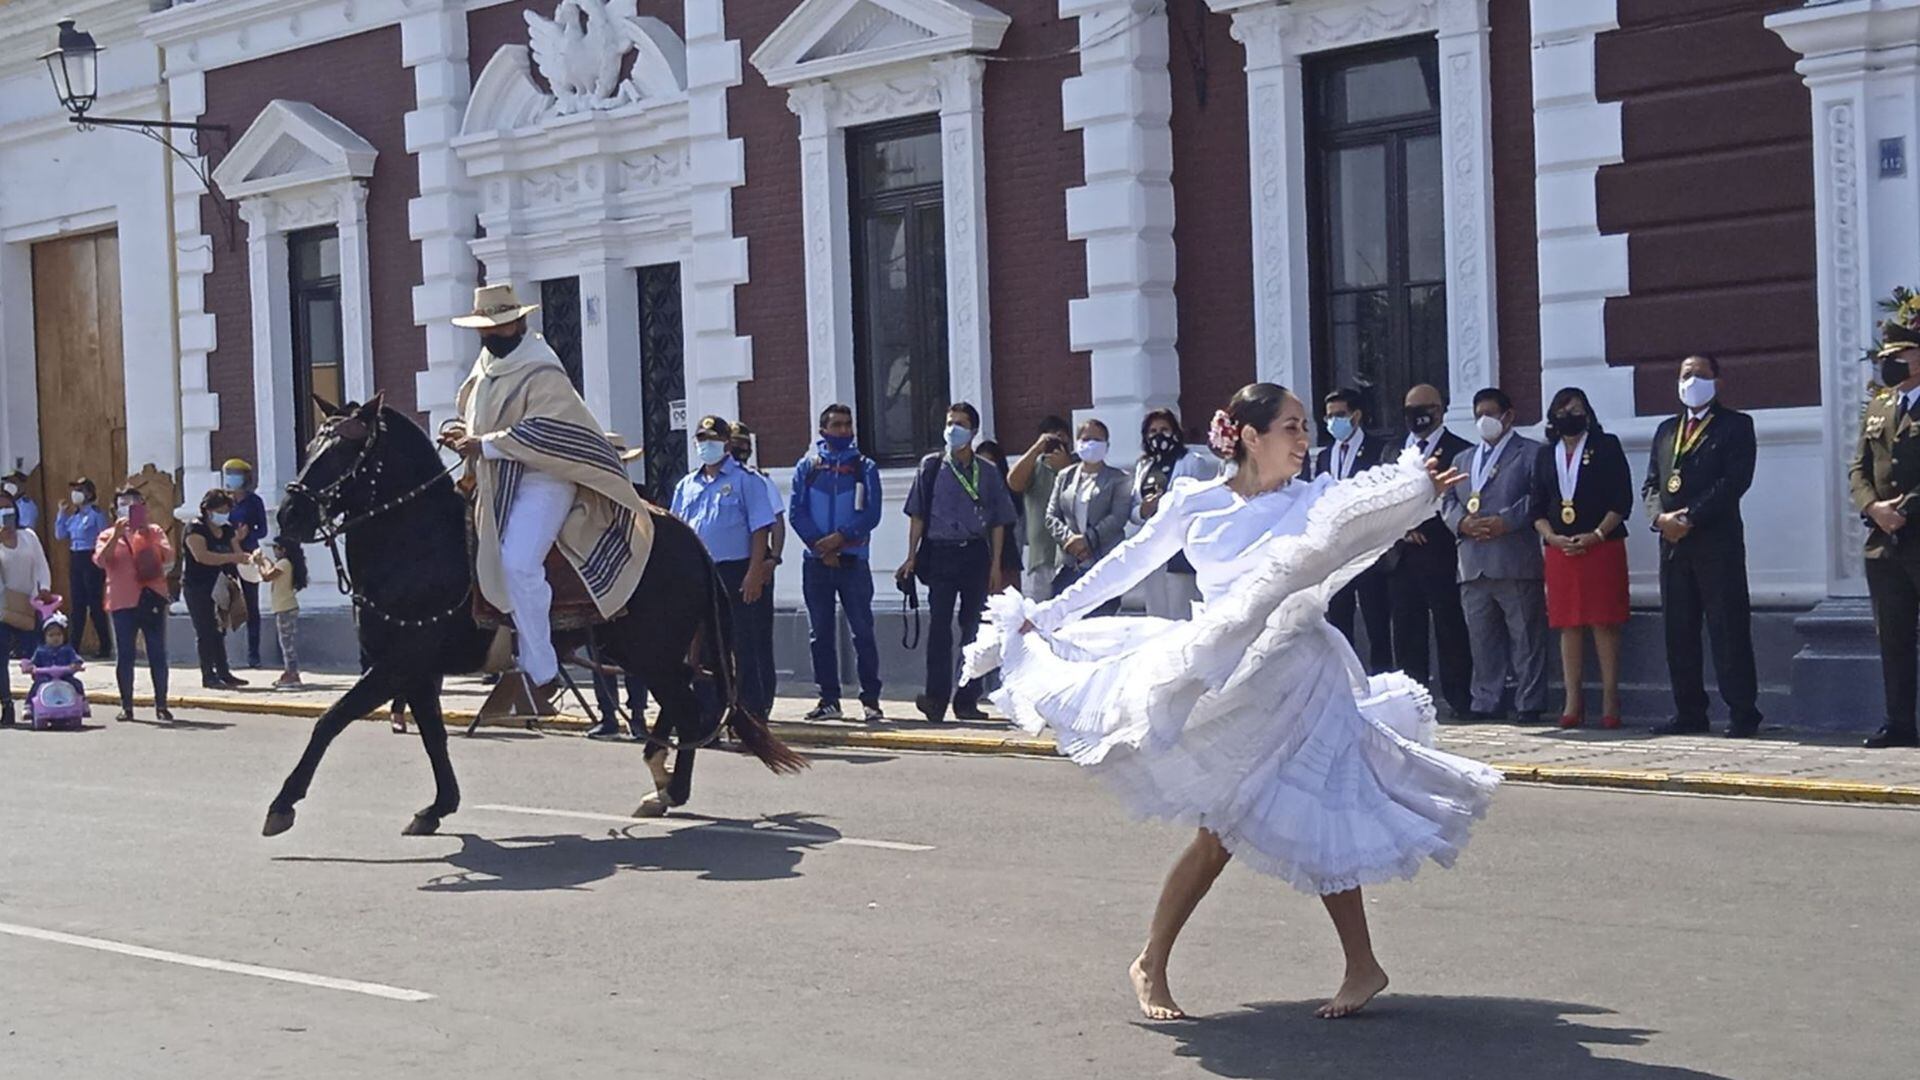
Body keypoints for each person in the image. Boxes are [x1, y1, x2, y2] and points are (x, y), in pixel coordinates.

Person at [964, 383, 1496, 1021]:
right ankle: (1152, 961)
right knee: (1221, 831)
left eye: (1306, 426)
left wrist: (1418, 491)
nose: (1307, 439)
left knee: (1321, 800)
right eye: (1293, 428)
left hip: (1308, 670)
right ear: (1249, 435)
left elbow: (1365, 523)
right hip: (1234, 679)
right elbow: (1126, 565)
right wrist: (1044, 616)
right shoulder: (1196, 502)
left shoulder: (1314, 498)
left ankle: (1359, 964)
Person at [443, 283, 654, 705]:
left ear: (519, 323)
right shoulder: (485, 366)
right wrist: (458, 431)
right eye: (485, 329)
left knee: (519, 563)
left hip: (545, 477)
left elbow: (550, 430)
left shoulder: (542, 368)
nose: (491, 335)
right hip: (496, 479)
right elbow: (470, 411)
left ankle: (541, 669)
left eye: (499, 327)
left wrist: (483, 444)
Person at [1642, 355, 1762, 738]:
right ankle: (1689, 711)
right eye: (1686, 375)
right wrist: (1659, 518)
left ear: (1717, 381)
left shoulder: (1735, 425)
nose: (1692, 381)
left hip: (1716, 542)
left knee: (1727, 628)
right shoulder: (1666, 430)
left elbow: (1734, 482)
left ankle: (1743, 712)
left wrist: (1690, 517)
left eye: (1700, 375)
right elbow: (1651, 484)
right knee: (1679, 630)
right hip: (1673, 546)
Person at [896, 402, 1017, 723]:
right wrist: (911, 555)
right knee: (939, 627)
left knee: (973, 628)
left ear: (974, 431)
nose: (953, 429)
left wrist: (995, 566)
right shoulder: (932, 466)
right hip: (940, 553)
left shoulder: (988, 472)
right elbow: (917, 515)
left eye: (961, 423)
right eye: (950, 422)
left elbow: (999, 522)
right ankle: (935, 698)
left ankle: (967, 699)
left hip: (975, 553)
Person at [1443, 388, 1548, 723]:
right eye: (1478, 415)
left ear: (1508, 415)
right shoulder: (1462, 459)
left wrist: (1507, 521)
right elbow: (1447, 501)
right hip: (1472, 562)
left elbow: (1538, 497)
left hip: (1513, 558)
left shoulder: (1531, 453)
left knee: (1525, 638)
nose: (1484, 421)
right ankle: (1486, 700)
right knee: (1482, 639)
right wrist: (1461, 523)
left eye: (1490, 413)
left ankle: (1529, 701)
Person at [1531, 388, 1634, 728]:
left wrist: (1597, 535)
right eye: (1562, 410)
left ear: (1587, 413)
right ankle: (1572, 699)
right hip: (1561, 550)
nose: (1568, 415)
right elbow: (1537, 506)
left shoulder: (1606, 446)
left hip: (1601, 546)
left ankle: (1610, 698)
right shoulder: (1546, 455)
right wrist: (1552, 537)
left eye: (1575, 409)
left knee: (1603, 621)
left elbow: (1621, 500)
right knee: (1568, 624)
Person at [670, 415, 778, 718]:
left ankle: (751, 718)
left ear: (726, 444)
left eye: (713, 441)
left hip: (737, 572)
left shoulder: (746, 481)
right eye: (702, 440)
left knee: (745, 648)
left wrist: (756, 571)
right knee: (704, 651)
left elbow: (760, 529)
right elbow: (678, 531)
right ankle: (707, 717)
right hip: (699, 575)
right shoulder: (686, 485)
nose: (707, 446)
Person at [1850, 298, 1920, 749]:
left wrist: (1906, 508)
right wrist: (1874, 508)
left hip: (1916, 531)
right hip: (1883, 542)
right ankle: (1899, 722)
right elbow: (1858, 467)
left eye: (1897, 357)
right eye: (1884, 359)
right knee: (1892, 637)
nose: (1888, 364)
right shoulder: (1879, 407)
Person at [791, 403, 885, 723]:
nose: (844, 430)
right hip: (817, 562)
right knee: (821, 633)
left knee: (862, 631)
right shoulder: (808, 466)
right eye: (837, 425)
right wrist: (821, 547)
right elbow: (796, 513)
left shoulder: (865, 467)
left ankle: (870, 700)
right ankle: (828, 699)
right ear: (823, 431)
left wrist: (840, 538)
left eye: (848, 424)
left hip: (853, 561)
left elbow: (871, 514)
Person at [1389, 384, 1473, 715]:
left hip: (1440, 551)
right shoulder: (1394, 451)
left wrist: (1424, 525)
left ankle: (1459, 698)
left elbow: (1461, 498)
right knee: (1407, 630)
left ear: (1438, 410)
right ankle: (1413, 698)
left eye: (1422, 409)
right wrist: (1402, 527)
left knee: (1449, 627)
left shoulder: (1460, 450)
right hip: (1401, 553)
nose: (1416, 417)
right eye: (1409, 410)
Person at [1315, 389, 1393, 672]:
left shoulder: (1378, 449)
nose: (1334, 421)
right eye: (1330, 416)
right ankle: (1344, 680)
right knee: (1338, 620)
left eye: (1340, 415)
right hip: (1336, 552)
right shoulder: (1325, 456)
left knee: (1376, 620)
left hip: (1369, 548)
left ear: (1356, 416)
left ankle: (1380, 677)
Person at [94, 485, 173, 723]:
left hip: (151, 597)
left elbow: (167, 557)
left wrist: (145, 534)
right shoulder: (107, 534)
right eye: (123, 504)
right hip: (122, 600)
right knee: (125, 654)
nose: (128, 508)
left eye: (134, 503)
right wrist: (118, 535)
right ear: (115, 509)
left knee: (157, 652)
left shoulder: (155, 531)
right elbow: (100, 560)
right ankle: (126, 706)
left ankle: (162, 704)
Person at [1133, 409, 1217, 620]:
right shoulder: (1144, 466)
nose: (1158, 435)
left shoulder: (1192, 461)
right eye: (1152, 431)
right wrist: (1142, 510)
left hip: (1179, 546)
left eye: (1164, 429)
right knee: (1155, 611)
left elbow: (1200, 503)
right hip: (1152, 547)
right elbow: (1133, 508)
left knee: (1180, 610)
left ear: (1175, 432)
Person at [1047, 418, 1132, 615]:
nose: (1091, 444)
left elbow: (1118, 517)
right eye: (1086, 439)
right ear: (1077, 443)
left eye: (1097, 439)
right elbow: (1051, 515)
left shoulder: (1120, 478)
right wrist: (1070, 540)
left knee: (1099, 625)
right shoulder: (1064, 476)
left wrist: (1086, 541)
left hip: (1103, 564)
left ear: (1107, 445)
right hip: (1070, 565)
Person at [730, 421, 785, 713]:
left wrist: (772, 560)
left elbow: (776, 524)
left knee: (757, 639)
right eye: (734, 445)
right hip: (724, 568)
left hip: (756, 566)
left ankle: (761, 703)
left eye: (743, 446)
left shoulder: (758, 481)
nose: (739, 451)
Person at [183, 489, 251, 690]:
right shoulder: (195, 528)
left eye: (226, 510)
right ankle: (208, 674)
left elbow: (238, 553)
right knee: (205, 630)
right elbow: (202, 556)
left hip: (221, 585)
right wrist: (231, 558)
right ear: (208, 509)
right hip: (198, 586)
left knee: (219, 628)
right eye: (220, 510)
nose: (224, 514)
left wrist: (252, 560)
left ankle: (224, 671)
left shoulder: (228, 529)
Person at [0, 488, 54, 727]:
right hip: (2, 609)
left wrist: (43, 589)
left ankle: (37, 702)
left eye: (7, 508)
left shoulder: (28, 536)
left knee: (36, 657)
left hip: (30, 606)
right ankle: (7, 704)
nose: (4, 513)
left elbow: (41, 566)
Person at [1008, 416, 1074, 598]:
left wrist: (1065, 467)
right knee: (1039, 618)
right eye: (1051, 438)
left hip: (1073, 556)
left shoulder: (1078, 465)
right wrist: (1036, 449)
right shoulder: (1034, 466)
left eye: (1061, 437)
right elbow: (1013, 482)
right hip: (1042, 557)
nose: (1056, 442)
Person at [54, 476, 112, 660]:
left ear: (89, 493)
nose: (76, 494)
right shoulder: (74, 517)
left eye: (81, 490)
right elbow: (60, 534)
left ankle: (105, 646)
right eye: (75, 489)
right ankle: (73, 646)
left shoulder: (96, 515)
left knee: (95, 604)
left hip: (91, 558)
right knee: (77, 605)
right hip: (76, 557)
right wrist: (61, 514)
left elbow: (104, 538)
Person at [222, 458, 270, 668]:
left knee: (252, 605)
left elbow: (264, 530)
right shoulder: (223, 500)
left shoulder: (254, 501)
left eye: (236, 473)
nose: (232, 478)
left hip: (249, 555)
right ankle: (221, 652)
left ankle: (253, 653)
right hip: (226, 555)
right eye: (229, 473)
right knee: (223, 601)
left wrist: (247, 533)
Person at [253, 537, 308, 690]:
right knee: (286, 642)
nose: (274, 551)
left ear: (283, 549)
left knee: (287, 644)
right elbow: (272, 569)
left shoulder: (284, 564)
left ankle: (292, 673)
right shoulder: (285, 564)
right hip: (284, 607)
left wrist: (259, 563)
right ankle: (289, 671)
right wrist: (265, 560)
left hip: (285, 608)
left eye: (276, 548)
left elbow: (267, 576)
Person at [27, 613, 84, 704]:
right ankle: (28, 705)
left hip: (64, 676)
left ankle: (82, 703)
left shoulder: (68, 649)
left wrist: (76, 664)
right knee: (37, 685)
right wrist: (30, 667)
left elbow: (76, 659)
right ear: (45, 637)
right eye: (51, 635)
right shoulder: (40, 651)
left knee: (77, 683)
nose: (55, 638)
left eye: (58, 634)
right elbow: (33, 663)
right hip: (45, 677)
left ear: (63, 636)